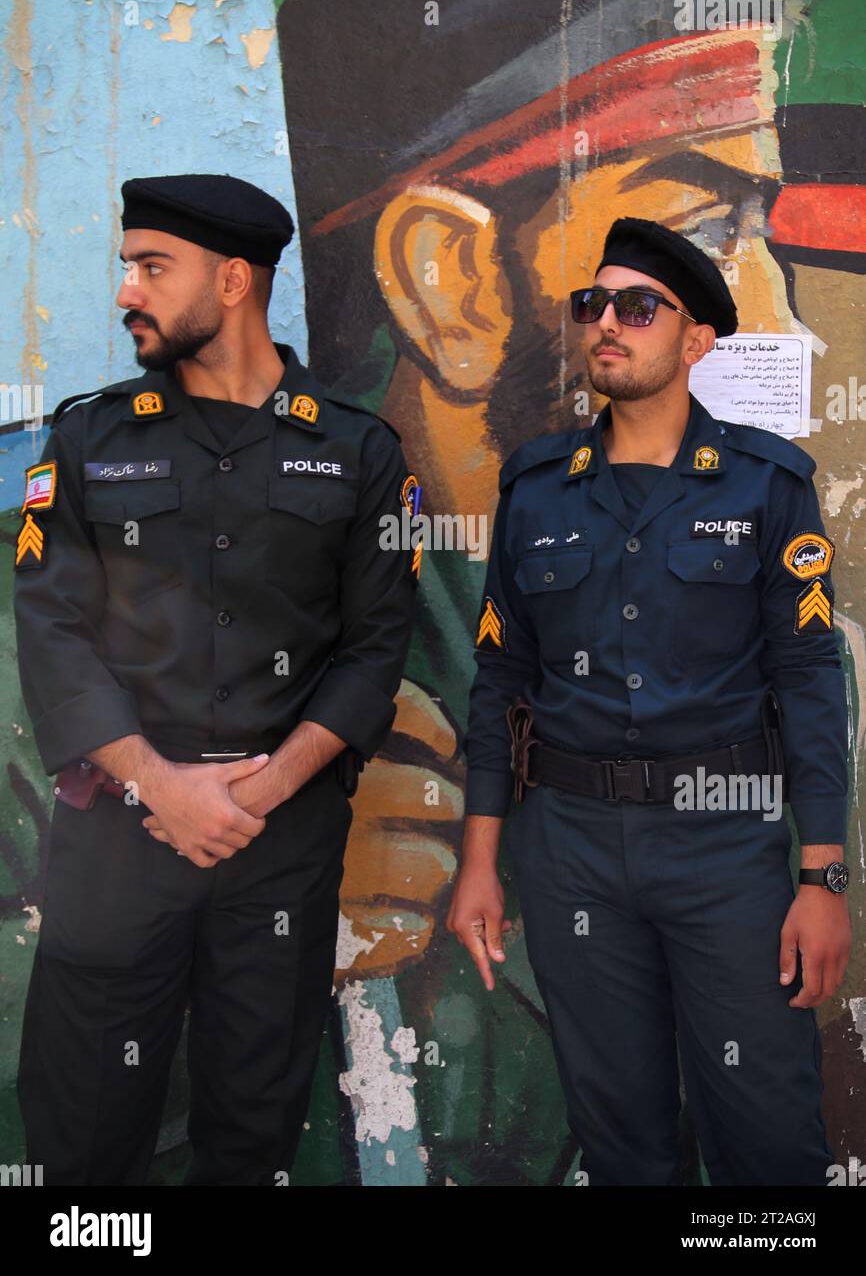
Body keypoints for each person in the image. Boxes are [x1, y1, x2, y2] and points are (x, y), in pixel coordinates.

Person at [13, 173, 418, 1186]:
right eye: (127, 267)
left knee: (251, 1132)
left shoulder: (356, 448)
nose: (126, 292)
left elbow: (374, 650)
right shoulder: (89, 438)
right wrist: (162, 783)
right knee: (85, 1136)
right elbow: (51, 631)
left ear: (232, 280)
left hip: (275, 849)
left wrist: (255, 792)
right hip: (117, 840)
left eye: (153, 267)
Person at [449, 215, 851, 1186]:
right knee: (620, 1137)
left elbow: (807, 681)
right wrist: (479, 861)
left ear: (695, 339)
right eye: (592, 305)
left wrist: (821, 876)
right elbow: (499, 682)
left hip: (723, 852)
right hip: (572, 851)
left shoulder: (763, 482)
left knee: (762, 1132)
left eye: (638, 307)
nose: (606, 324)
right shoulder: (539, 487)